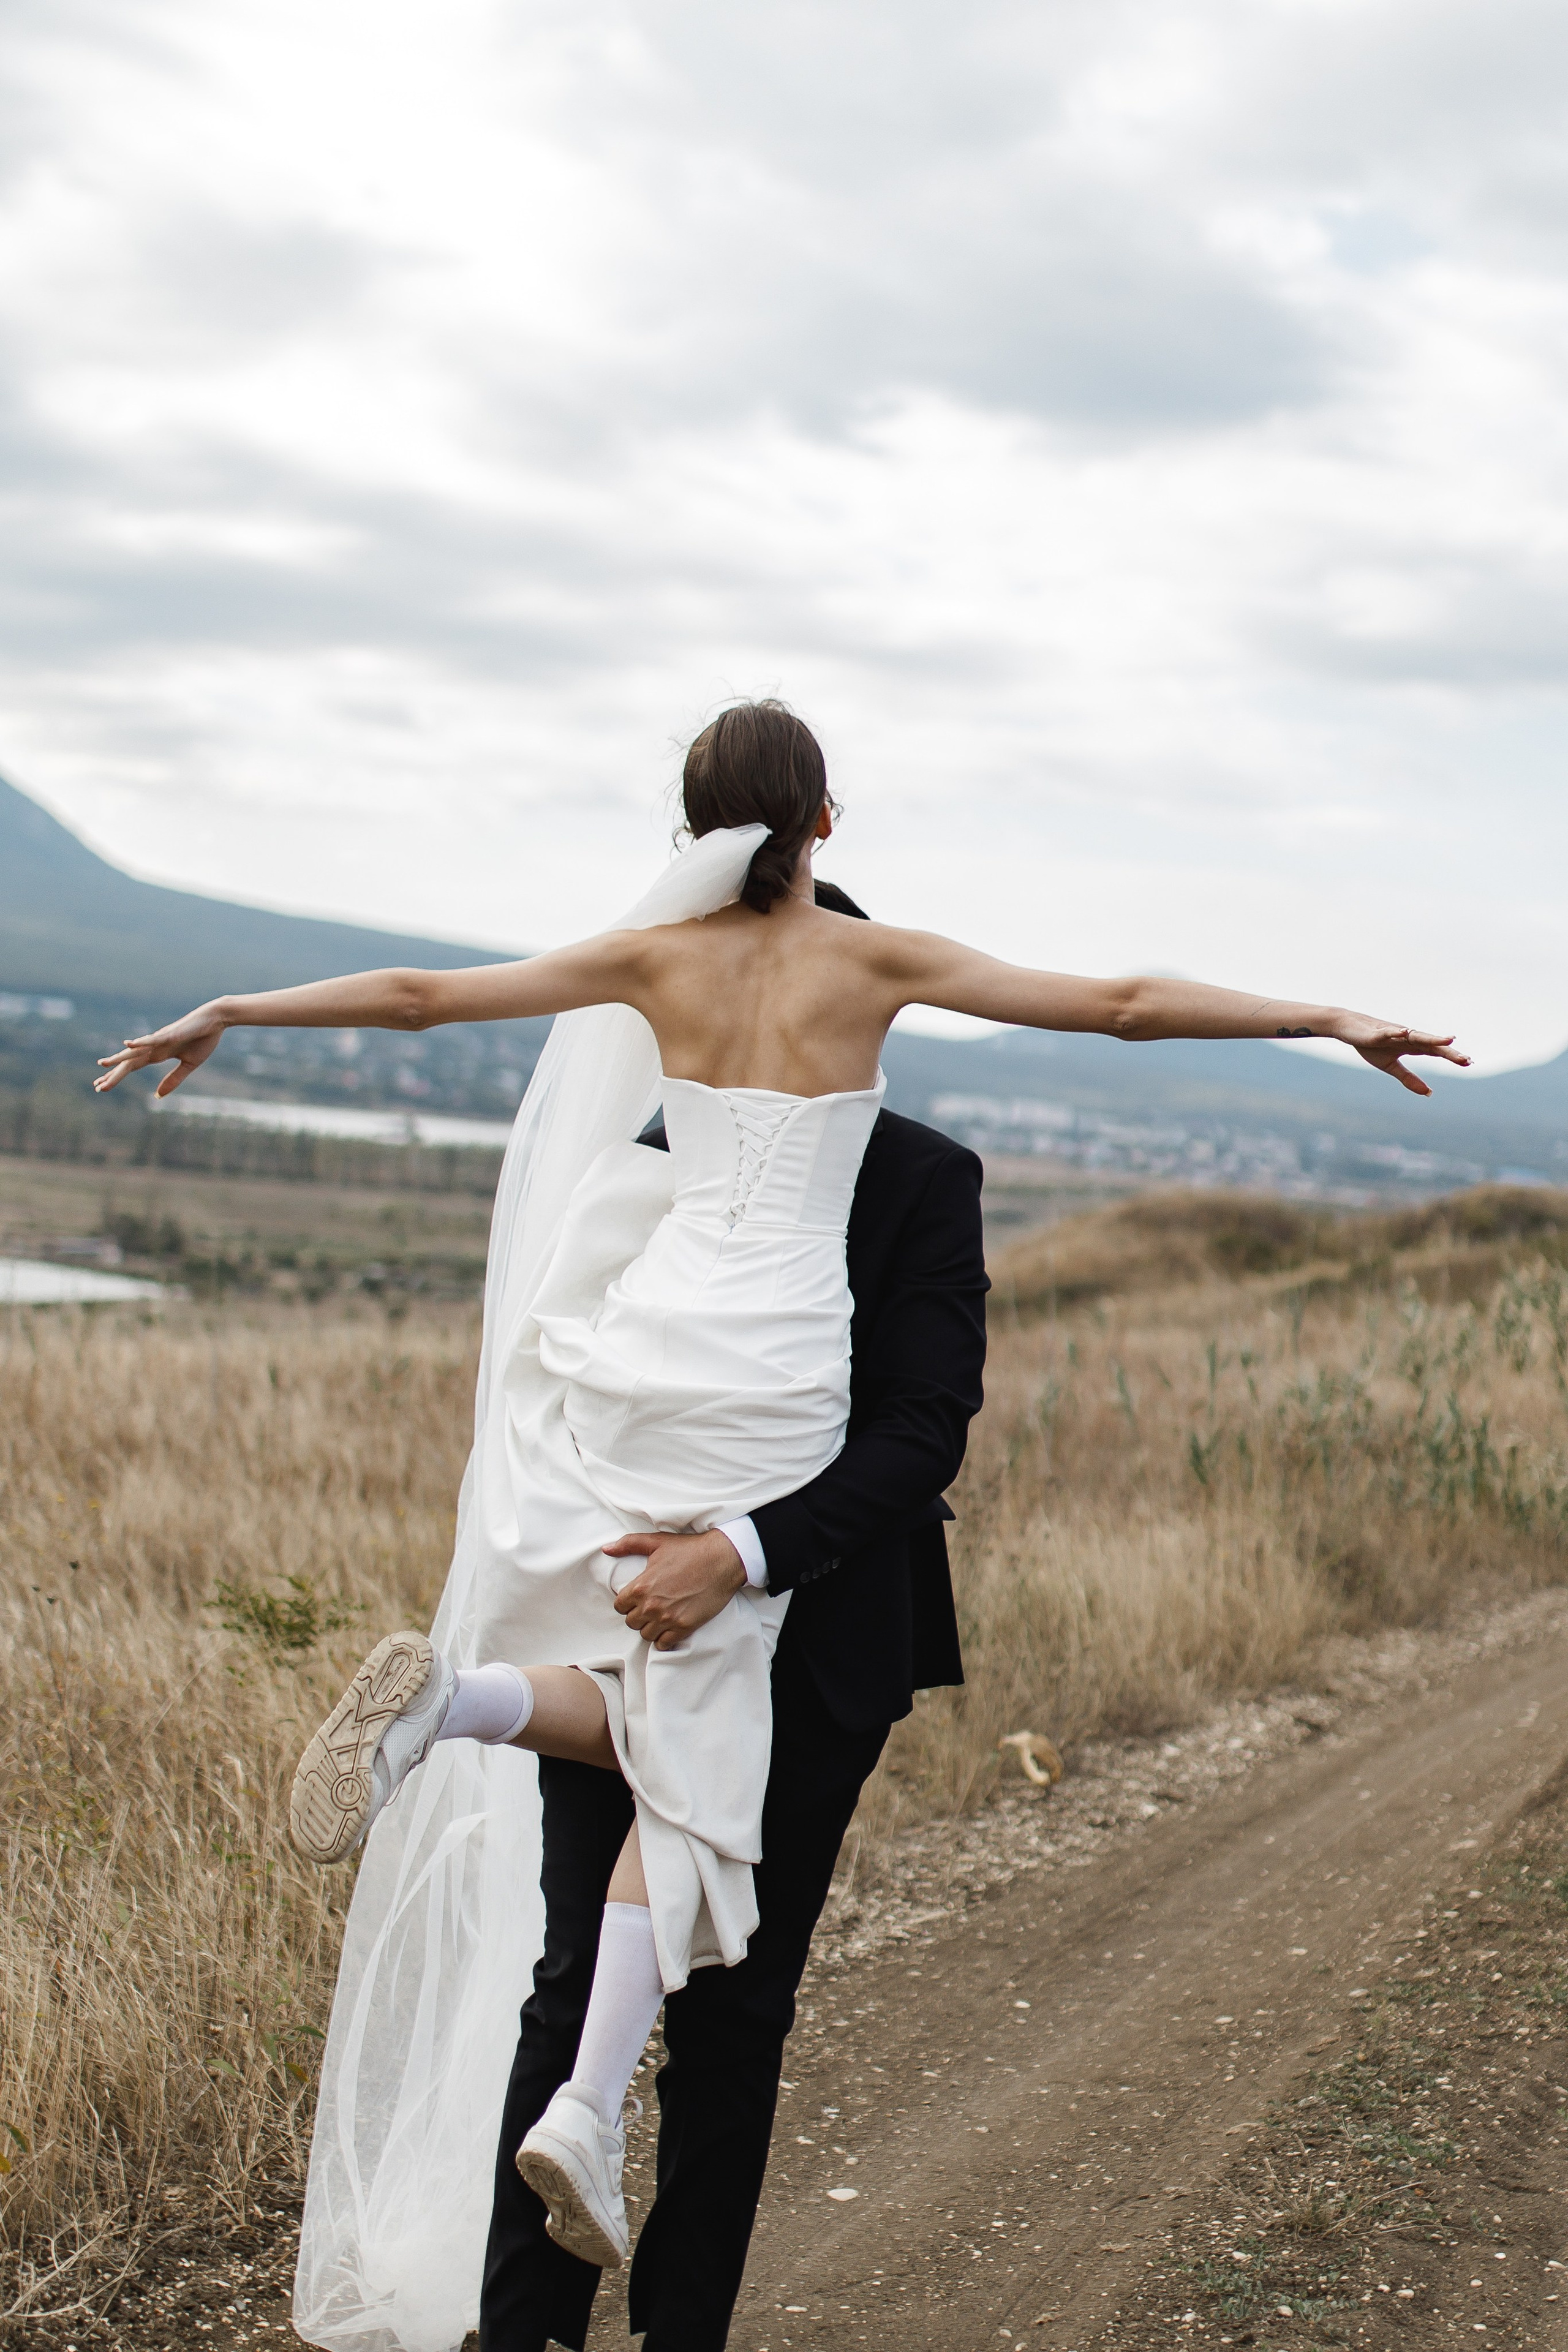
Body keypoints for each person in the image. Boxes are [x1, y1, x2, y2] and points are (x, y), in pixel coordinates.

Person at [94, 701, 1466, 2352]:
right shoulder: (856, 979)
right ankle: (545, 2240)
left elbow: (413, 996)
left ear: (699, 825)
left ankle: (470, 1729)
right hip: (757, 1401)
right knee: (629, 1919)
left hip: (685, 1435)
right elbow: (1113, 1005)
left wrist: (234, 1008)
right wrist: (1327, 1015)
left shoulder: (667, 979)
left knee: (699, 1926)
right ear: (824, 822)